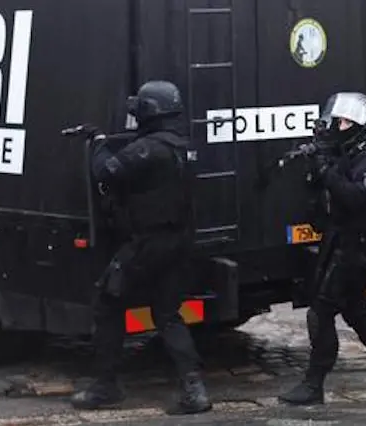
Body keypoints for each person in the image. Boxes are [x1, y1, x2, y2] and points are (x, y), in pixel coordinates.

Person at [70, 80, 212, 415]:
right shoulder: (183, 145)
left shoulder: (149, 149)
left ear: (150, 113)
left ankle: (106, 386)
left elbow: (106, 172)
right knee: (167, 314)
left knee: (107, 301)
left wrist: (99, 142)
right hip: (180, 242)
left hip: (149, 243)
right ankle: (195, 389)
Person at [278, 92, 366, 406]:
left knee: (321, 311)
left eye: (344, 121)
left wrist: (327, 172)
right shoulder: (346, 155)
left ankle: (313, 384)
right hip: (340, 243)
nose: (337, 126)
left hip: (356, 248)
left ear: (360, 126)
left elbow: (357, 196)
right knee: (357, 314)